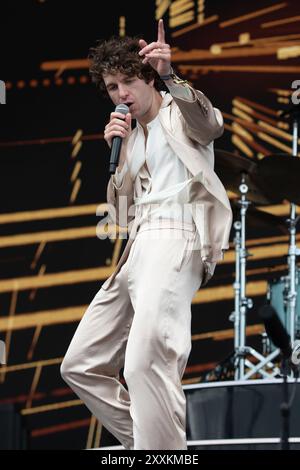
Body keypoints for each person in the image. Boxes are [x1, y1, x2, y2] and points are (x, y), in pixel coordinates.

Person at [61, 19, 232, 450]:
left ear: (149, 78)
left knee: (144, 362)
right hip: (138, 246)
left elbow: (211, 125)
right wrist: (115, 159)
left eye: (128, 81)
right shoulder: (131, 138)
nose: (122, 94)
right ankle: (154, 448)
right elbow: (119, 213)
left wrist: (172, 74)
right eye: (113, 86)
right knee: (81, 363)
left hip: (177, 235)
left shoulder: (180, 112)